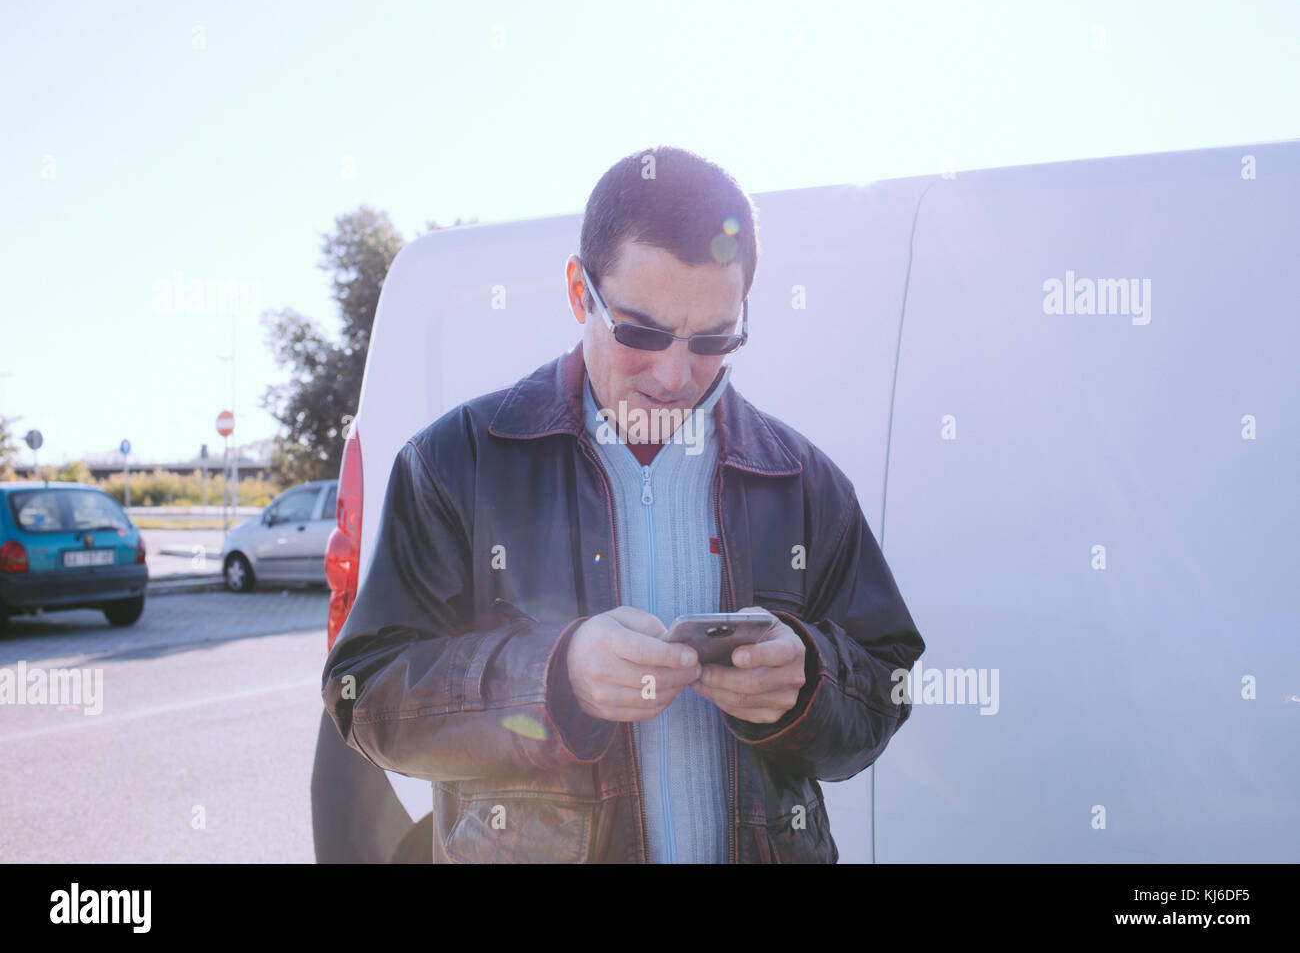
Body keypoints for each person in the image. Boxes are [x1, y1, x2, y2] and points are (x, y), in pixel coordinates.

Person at [322, 145, 925, 863]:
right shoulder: (455, 463)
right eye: (640, 332)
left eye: (713, 339)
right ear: (580, 292)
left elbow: (886, 686)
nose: (674, 376)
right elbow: (366, 696)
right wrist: (555, 675)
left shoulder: (800, 479)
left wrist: (809, 683)